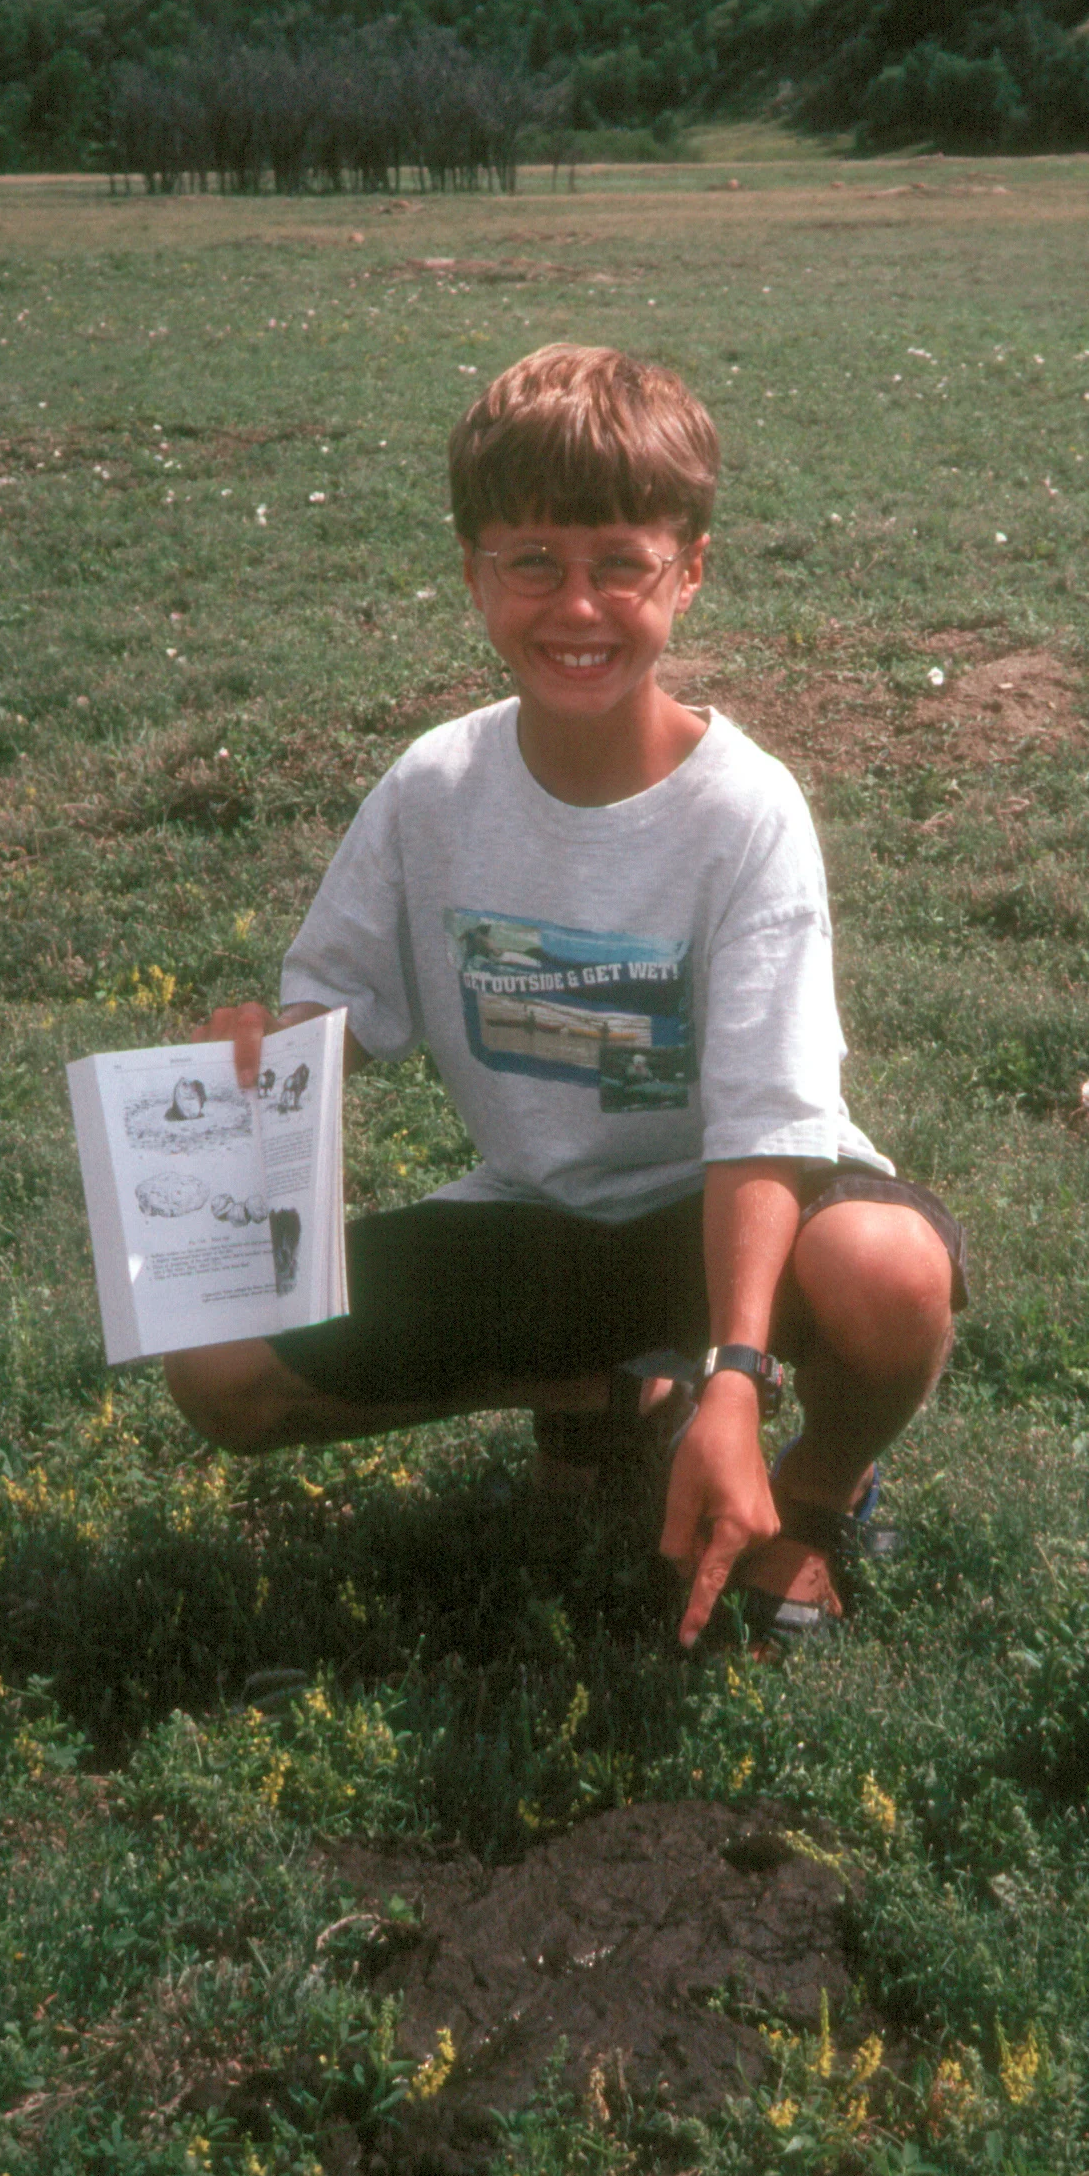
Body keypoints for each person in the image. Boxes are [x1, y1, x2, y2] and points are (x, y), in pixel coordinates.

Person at [165, 344, 967, 1651]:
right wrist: (262, 1047)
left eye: (618, 562)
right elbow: (330, 1011)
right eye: (531, 561)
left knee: (886, 1269)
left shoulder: (744, 812)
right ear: (474, 571)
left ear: (689, 568)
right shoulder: (434, 789)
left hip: (736, 1226)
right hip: (545, 1224)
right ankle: (610, 1385)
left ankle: (814, 1501)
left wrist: (742, 1378)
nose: (575, 605)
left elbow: (767, 1121)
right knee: (218, 1365)